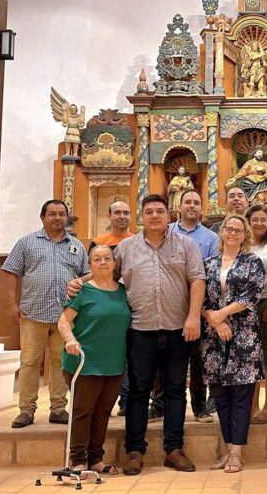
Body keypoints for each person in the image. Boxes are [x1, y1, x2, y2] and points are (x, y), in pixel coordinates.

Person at [68, 194, 206, 475]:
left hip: (178, 328)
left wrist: (193, 316)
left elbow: (197, 279)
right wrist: (79, 282)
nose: (155, 216)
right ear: (141, 216)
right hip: (140, 330)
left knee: (175, 391)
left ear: (169, 215)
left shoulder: (186, 245)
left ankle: (174, 449)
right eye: (149, 211)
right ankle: (134, 450)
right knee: (138, 392)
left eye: (159, 211)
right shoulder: (126, 248)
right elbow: (105, 273)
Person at [3, 199, 89, 429]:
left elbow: (88, 274)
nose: (58, 218)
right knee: (29, 362)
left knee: (60, 362)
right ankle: (26, 409)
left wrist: (80, 283)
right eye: (52, 214)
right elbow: (11, 272)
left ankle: (58, 408)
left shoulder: (76, 245)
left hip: (65, 316)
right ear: (43, 217)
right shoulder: (27, 243)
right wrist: (12, 304)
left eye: (62, 214)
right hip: (33, 312)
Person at [58, 245, 131, 476]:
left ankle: (96, 459)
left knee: (102, 412)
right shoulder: (82, 291)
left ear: (114, 263)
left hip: (114, 363)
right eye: (96, 259)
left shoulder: (122, 291)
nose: (102, 262)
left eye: (107, 258)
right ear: (90, 265)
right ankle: (78, 460)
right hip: (83, 362)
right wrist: (70, 340)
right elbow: (63, 321)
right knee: (83, 411)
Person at [202, 214, 265, 472]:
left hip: (244, 334)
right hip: (214, 335)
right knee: (220, 395)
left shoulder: (253, 262)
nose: (233, 233)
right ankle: (228, 450)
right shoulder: (208, 263)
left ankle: (237, 453)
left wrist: (223, 314)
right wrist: (215, 321)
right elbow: (200, 297)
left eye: (239, 230)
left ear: (245, 234)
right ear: (222, 232)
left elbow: (253, 295)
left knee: (241, 395)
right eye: (229, 228)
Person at [169, 188, 218, 423]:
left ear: (201, 208)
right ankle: (162, 405)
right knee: (168, 359)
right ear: (179, 206)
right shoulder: (167, 232)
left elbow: (210, 273)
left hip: (199, 306)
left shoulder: (210, 238)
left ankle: (200, 406)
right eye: (187, 201)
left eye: (196, 202)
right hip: (171, 305)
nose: (191, 206)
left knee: (198, 359)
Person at [88, 200, 133, 416]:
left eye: (126, 212)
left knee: (128, 353)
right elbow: (92, 270)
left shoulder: (135, 241)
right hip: (105, 301)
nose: (122, 216)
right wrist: (80, 281)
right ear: (109, 216)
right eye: (117, 212)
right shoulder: (99, 242)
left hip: (128, 302)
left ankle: (126, 400)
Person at [246, 204, 267, 425]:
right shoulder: (241, 243)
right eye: (255, 219)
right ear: (248, 221)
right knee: (250, 356)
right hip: (244, 306)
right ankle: (252, 407)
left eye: (263, 220)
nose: (259, 223)